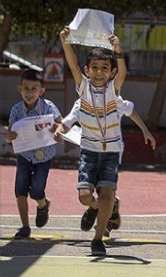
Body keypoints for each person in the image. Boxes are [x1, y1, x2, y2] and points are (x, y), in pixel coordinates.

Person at [57, 28, 126, 256]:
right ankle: (100, 208)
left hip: (111, 152)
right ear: (88, 71)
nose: (99, 72)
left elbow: (123, 73)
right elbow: (73, 65)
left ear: (111, 72)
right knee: (85, 196)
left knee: (106, 192)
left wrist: (118, 51)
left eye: (104, 68)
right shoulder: (83, 87)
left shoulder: (113, 90)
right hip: (89, 150)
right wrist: (65, 42)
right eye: (94, 68)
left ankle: (98, 239)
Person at [57, 96, 156, 235]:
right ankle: (97, 206)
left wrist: (145, 130)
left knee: (106, 188)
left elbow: (131, 110)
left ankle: (104, 224)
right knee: (87, 191)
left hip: (112, 152)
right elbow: (66, 123)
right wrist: (58, 131)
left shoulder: (114, 99)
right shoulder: (81, 103)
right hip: (90, 152)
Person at [5, 69, 62, 239]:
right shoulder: (16, 110)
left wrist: (57, 131)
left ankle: (43, 205)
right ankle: (24, 226)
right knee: (20, 191)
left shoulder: (48, 107)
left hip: (44, 156)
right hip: (24, 155)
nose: (29, 92)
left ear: (41, 90)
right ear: (19, 89)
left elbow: (61, 125)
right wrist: (10, 137)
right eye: (26, 88)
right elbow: (9, 134)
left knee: (37, 190)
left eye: (34, 88)